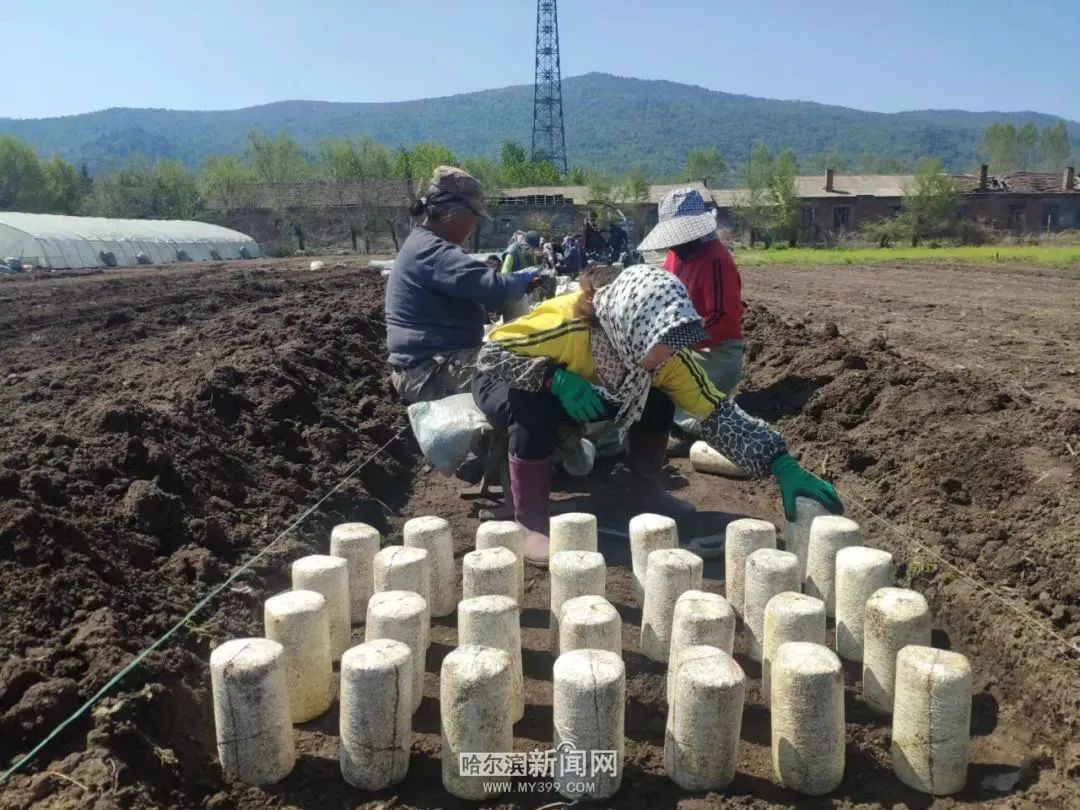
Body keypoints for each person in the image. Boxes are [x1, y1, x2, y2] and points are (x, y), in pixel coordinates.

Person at [471, 264, 842, 565]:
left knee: (658, 397)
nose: (665, 355)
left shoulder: (665, 359)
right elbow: (489, 358)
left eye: (670, 344)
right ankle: (531, 519)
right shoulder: (564, 327)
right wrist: (553, 377)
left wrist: (779, 462)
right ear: (627, 328)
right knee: (531, 404)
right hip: (506, 382)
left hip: (591, 391)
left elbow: (715, 412)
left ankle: (645, 491)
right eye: (657, 344)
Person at [385, 166, 537, 404]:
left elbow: (475, 285)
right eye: (473, 216)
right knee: (528, 373)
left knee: (518, 360)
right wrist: (524, 279)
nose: (473, 224)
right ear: (452, 212)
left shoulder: (424, 244)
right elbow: (494, 288)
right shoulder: (432, 251)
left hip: (433, 362)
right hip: (429, 372)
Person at [637, 188, 744, 435]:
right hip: (681, 346)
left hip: (714, 350)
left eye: (681, 237)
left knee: (690, 416)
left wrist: (673, 343)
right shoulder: (675, 257)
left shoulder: (716, 261)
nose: (675, 245)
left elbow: (720, 318)